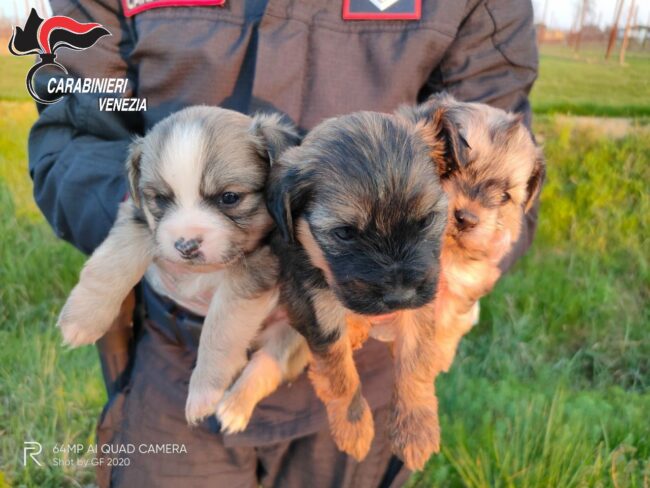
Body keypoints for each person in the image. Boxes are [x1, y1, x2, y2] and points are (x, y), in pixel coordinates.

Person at [28, 0, 539, 486]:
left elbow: (503, 159)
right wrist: (147, 221)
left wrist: (460, 271)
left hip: (372, 364)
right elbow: (75, 128)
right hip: (172, 354)